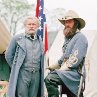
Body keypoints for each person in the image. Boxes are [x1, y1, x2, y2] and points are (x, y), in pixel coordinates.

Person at [45, 10, 88, 97]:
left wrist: (60, 70)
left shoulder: (80, 38)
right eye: (65, 22)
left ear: (76, 23)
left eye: (69, 21)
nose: (66, 24)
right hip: (67, 73)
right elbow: (63, 58)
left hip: (75, 74)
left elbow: (74, 60)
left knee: (50, 79)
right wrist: (52, 67)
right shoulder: (69, 39)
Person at [5, 17, 44, 97]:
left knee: (34, 95)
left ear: (37, 26)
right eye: (29, 24)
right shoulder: (17, 38)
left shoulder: (40, 40)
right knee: (21, 95)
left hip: (36, 74)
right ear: (25, 26)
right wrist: (16, 67)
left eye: (34, 24)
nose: (31, 26)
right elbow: (8, 55)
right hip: (23, 73)